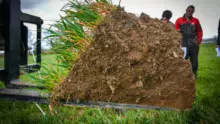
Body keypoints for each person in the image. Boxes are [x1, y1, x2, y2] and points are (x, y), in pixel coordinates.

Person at [175, 5, 203, 77]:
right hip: (183, 43)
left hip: (193, 44)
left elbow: (199, 31)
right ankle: (182, 76)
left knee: (194, 61)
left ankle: (194, 75)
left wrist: (198, 41)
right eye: (188, 11)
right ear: (186, 10)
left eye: (191, 11)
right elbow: (175, 31)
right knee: (182, 60)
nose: (190, 12)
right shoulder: (179, 20)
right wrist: (178, 43)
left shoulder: (196, 21)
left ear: (193, 12)